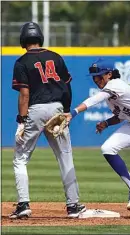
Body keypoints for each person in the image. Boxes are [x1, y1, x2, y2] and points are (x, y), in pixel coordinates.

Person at [64, 58, 130, 218]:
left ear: (109, 74)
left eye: (99, 76)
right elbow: (122, 116)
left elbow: (94, 99)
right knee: (107, 148)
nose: (96, 80)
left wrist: (73, 113)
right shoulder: (110, 94)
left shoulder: (115, 85)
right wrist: (106, 123)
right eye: (94, 77)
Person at [10, 22, 86, 219]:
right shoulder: (56, 57)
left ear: (23, 40)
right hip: (57, 109)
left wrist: (21, 120)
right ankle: (73, 206)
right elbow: (67, 88)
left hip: (35, 110)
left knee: (20, 158)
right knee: (65, 156)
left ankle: (24, 204)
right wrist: (66, 112)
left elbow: (24, 95)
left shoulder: (21, 62)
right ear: (40, 38)